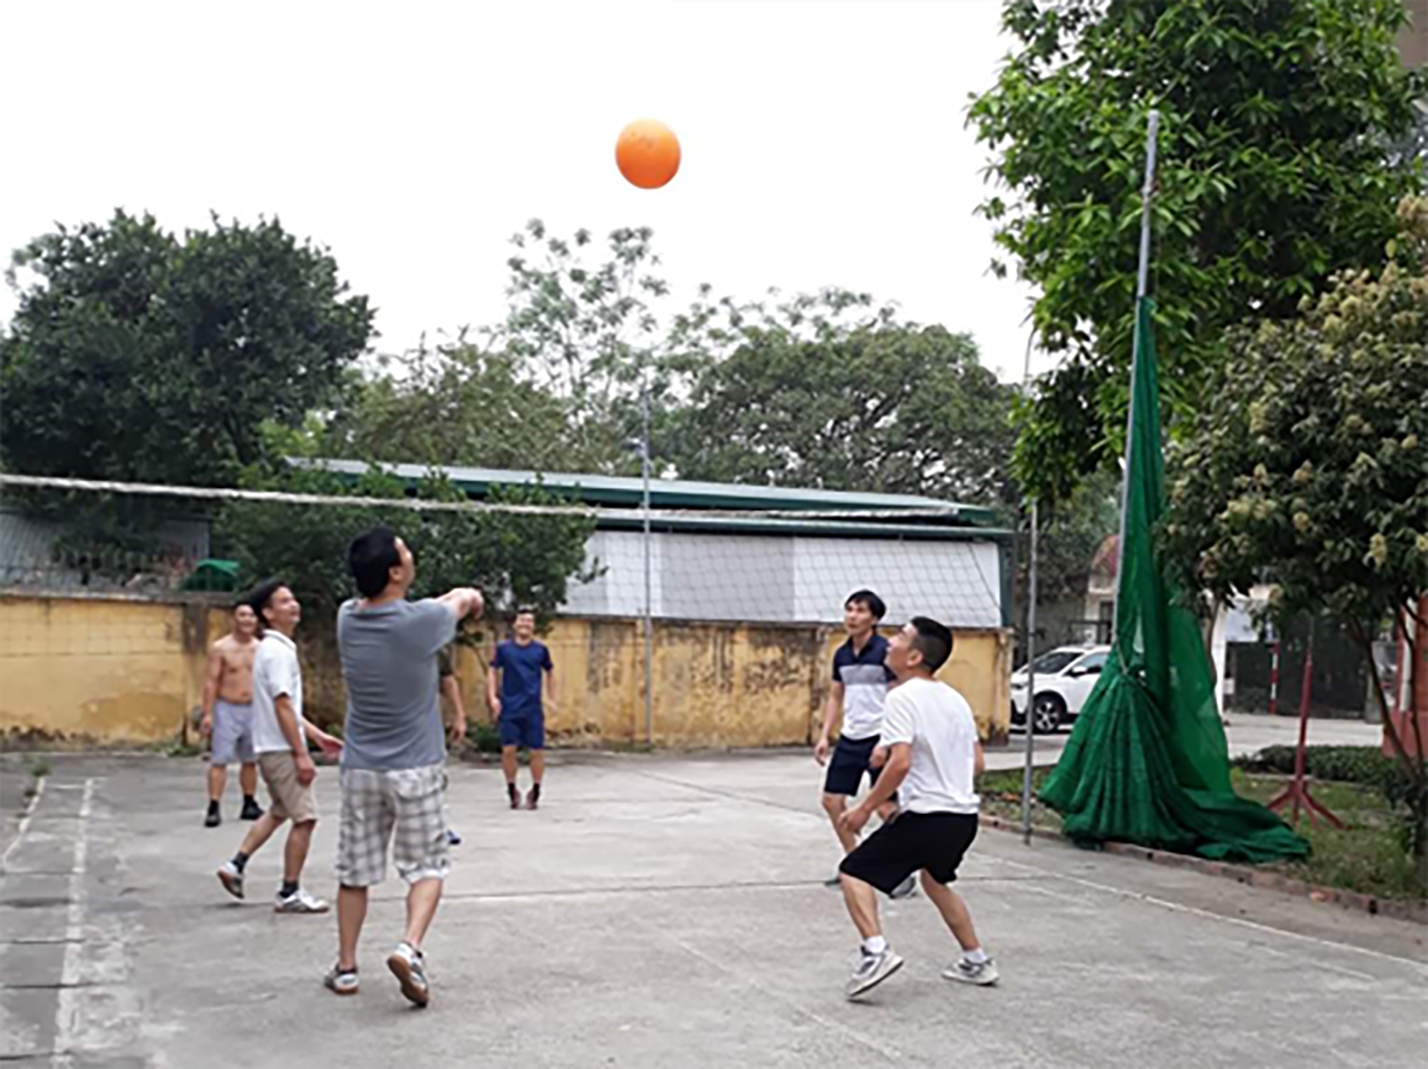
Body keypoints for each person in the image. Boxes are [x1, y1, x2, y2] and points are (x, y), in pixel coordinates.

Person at [326, 526, 483, 1005]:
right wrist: (471, 596)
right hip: (416, 768)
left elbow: (423, 608)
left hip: (360, 769)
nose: (410, 555)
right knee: (428, 868)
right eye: (404, 551)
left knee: (354, 873)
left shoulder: (347, 618)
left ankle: (347, 968)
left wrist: (449, 601)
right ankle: (408, 948)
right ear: (395, 571)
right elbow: (460, 601)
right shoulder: (425, 623)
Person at [836, 616, 998, 1001]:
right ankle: (976, 960)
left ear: (913, 657)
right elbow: (976, 763)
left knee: (853, 872)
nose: (890, 641)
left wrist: (864, 808)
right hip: (962, 818)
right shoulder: (955, 699)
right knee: (935, 881)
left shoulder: (901, 697)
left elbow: (902, 764)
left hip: (928, 816)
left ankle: (876, 952)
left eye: (900, 636)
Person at [216, 580, 342, 913]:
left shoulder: (274, 649)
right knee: (306, 819)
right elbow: (283, 705)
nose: (293, 604)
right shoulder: (277, 652)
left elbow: (287, 706)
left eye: (293, 598)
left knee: (279, 811)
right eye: (284, 601)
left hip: (272, 746)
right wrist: (301, 754)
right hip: (281, 749)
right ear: (268, 613)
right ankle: (289, 891)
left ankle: (236, 864)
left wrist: (316, 736)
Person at [814, 590, 914, 898]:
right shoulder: (842, 654)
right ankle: (855, 862)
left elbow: (899, 697)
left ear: (874, 618)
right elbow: (835, 695)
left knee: (886, 807)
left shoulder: (887, 652)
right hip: (850, 738)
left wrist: (889, 741)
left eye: (859, 610)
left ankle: (902, 870)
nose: (851, 616)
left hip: (879, 739)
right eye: (848, 610)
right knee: (831, 801)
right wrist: (824, 734)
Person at [199, 601, 264, 827]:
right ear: (234, 619)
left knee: (250, 760)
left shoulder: (260, 648)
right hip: (227, 707)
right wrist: (208, 713)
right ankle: (214, 806)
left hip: (253, 708)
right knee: (220, 759)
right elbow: (212, 681)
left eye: (251, 616)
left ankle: (249, 802)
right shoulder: (221, 648)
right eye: (242, 615)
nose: (247, 620)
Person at [487, 608, 557, 810]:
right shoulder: (504, 649)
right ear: (515, 624)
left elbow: (550, 672)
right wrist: (493, 698)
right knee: (509, 750)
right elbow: (492, 671)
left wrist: (551, 698)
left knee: (536, 751)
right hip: (510, 707)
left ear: (533, 626)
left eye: (529, 621)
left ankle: (535, 790)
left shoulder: (540, 650)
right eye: (522, 620)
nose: (525, 624)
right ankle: (511, 789)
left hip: (533, 708)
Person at [438, 645, 467, 846]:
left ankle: (438, 825)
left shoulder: (433, 647)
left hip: (424, 722)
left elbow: (448, 681)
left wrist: (459, 715)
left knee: (436, 775)